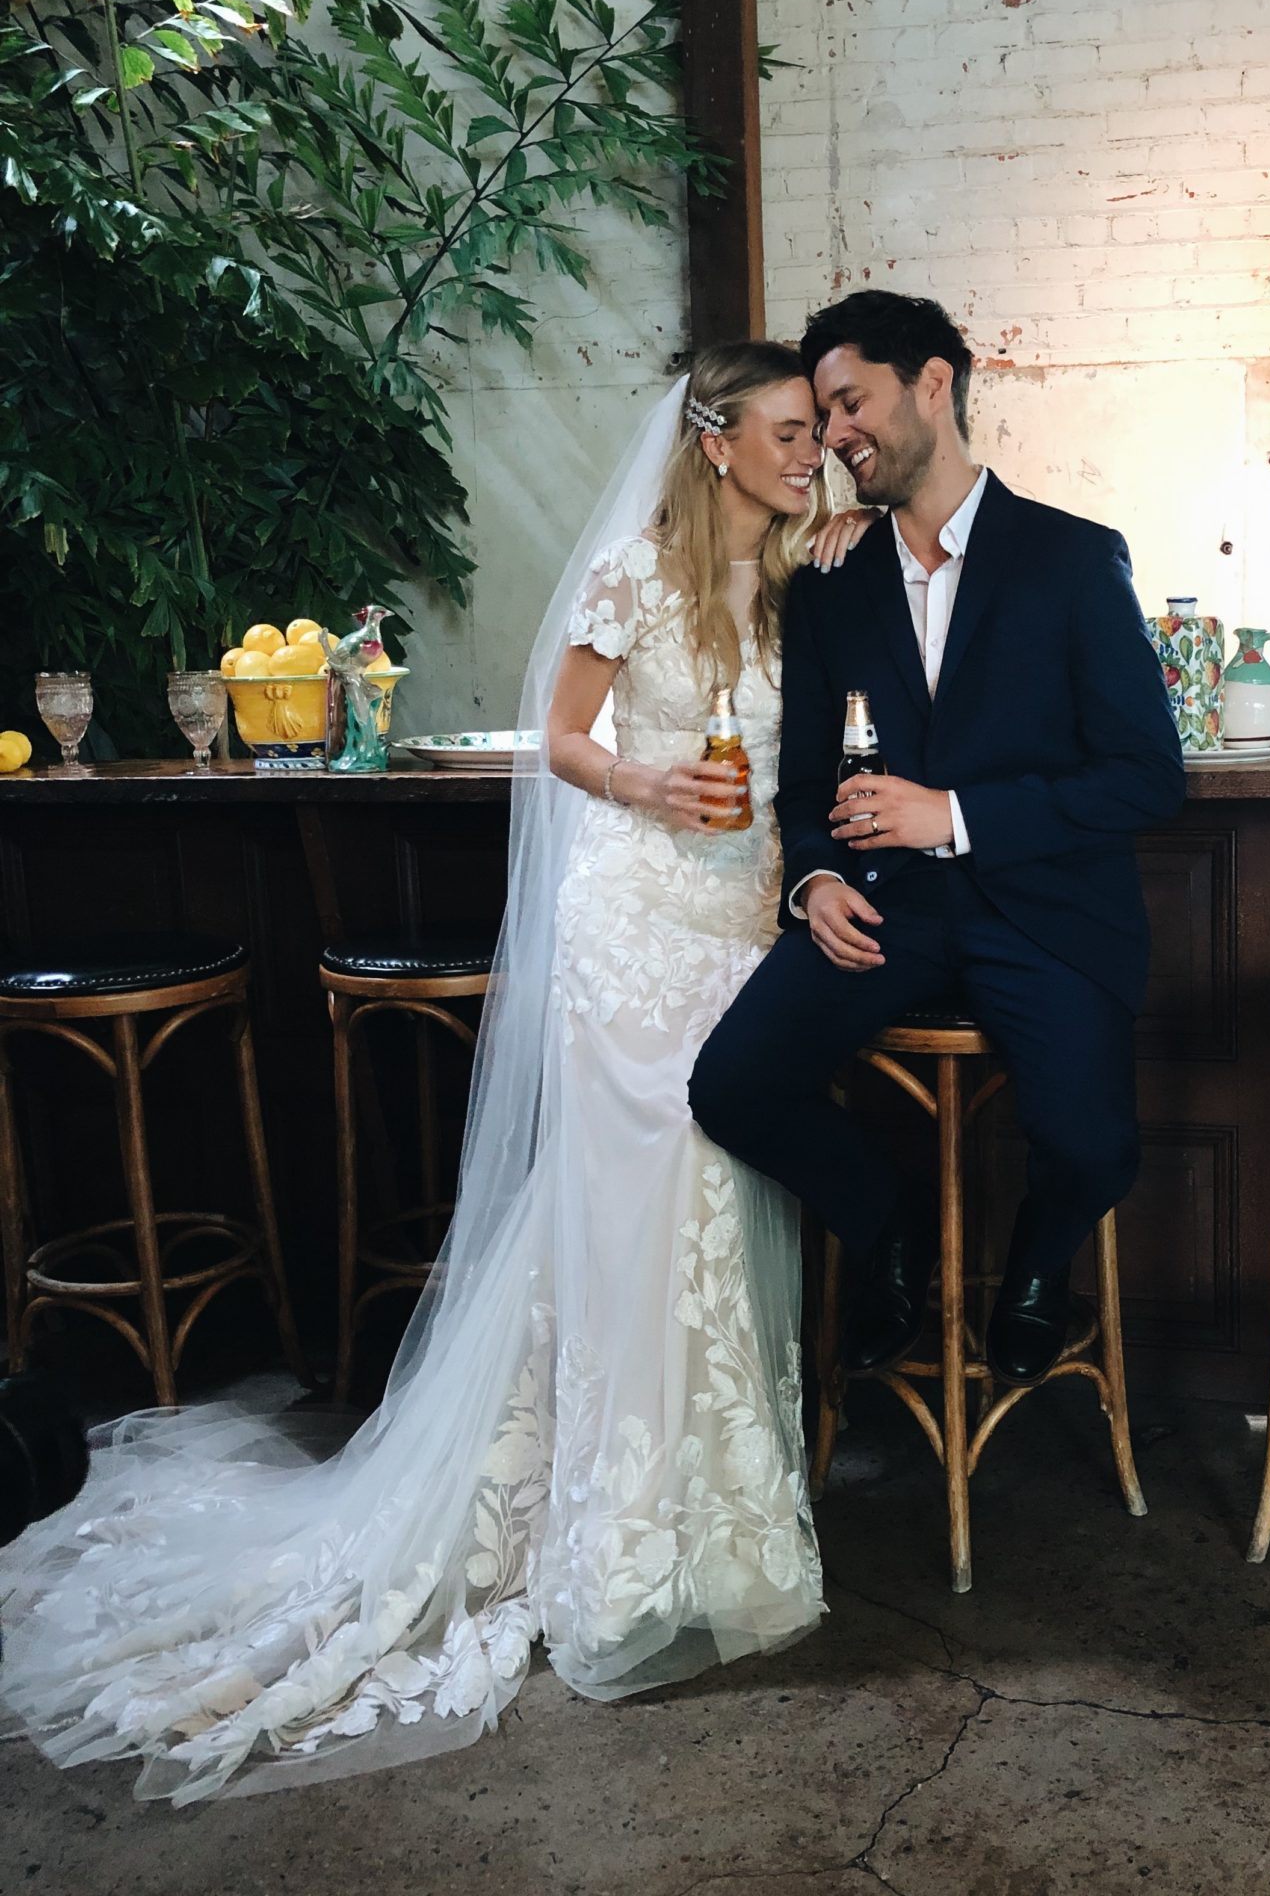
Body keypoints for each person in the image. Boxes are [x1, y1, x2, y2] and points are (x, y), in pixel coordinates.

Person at [0, 343, 868, 1804]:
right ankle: (609, 1551)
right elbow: (564, 737)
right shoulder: (630, 577)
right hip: (634, 918)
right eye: (790, 434)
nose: (812, 455)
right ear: (714, 441)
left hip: (740, 928)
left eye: (818, 437)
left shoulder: (801, 575)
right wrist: (650, 784)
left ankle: (720, 1536)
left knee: (715, 1222)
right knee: (635, 1216)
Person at [691, 292, 1185, 1389]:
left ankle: (1038, 1262)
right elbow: (802, 772)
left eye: (848, 402)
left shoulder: (1072, 557)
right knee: (732, 1086)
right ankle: (892, 1224)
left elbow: (1148, 773)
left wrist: (955, 815)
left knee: (1092, 1142)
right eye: (819, 419)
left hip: (1045, 911)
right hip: (881, 911)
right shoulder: (828, 578)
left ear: (932, 384)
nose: (832, 437)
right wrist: (814, 875)